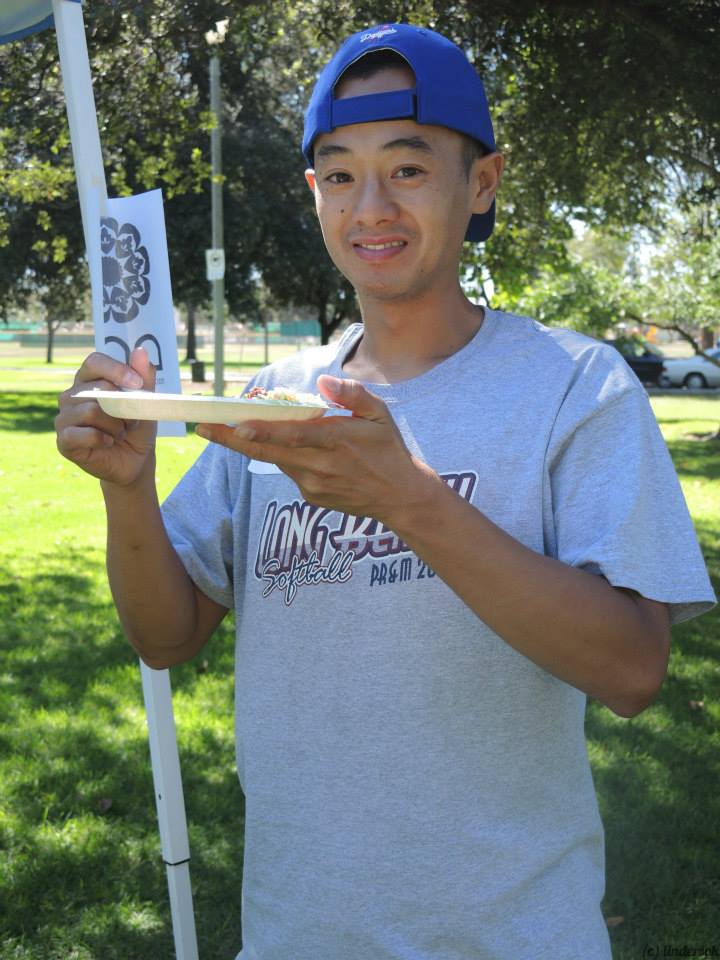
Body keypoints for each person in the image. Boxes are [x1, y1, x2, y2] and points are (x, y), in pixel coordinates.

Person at [56, 22, 716, 960]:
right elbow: (165, 637)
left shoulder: (576, 386)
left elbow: (633, 671)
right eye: (340, 174)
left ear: (481, 183)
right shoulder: (273, 401)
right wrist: (128, 489)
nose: (370, 207)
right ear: (315, 194)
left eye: (408, 169)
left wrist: (409, 500)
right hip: (295, 936)